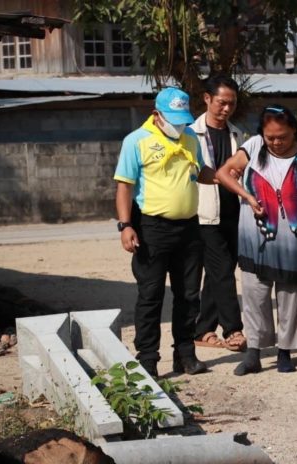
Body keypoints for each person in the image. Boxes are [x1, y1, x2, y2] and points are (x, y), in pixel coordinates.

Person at [216, 105, 297, 376]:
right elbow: (223, 173)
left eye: (283, 137)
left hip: (293, 235)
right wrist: (247, 195)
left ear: (294, 132)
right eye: (271, 138)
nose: (276, 142)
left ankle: (285, 353)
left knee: (290, 294)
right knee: (255, 293)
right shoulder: (253, 146)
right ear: (262, 135)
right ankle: (254, 352)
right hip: (253, 234)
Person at [114, 87, 216, 377]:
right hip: (151, 228)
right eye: (172, 118)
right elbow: (124, 186)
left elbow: (201, 172)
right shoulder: (136, 141)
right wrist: (125, 225)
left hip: (189, 228)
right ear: (156, 115)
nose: (178, 125)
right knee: (151, 295)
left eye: (182, 119)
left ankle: (185, 355)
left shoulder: (191, 139)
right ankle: (147, 359)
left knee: (188, 295)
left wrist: (224, 176)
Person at [190, 75, 247, 352]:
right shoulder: (190, 134)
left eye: (232, 104)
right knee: (222, 270)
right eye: (222, 103)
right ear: (207, 99)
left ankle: (202, 330)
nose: (226, 109)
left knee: (218, 272)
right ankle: (233, 329)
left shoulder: (238, 134)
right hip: (205, 215)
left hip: (234, 213)